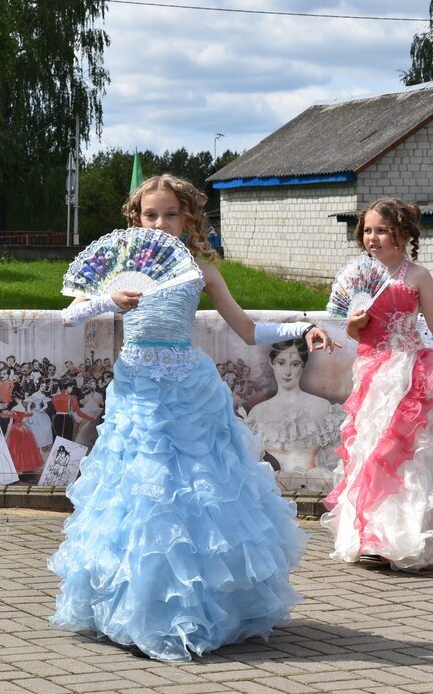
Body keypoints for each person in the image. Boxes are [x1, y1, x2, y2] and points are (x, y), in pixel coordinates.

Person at [47, 174, 336, 662]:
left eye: (170, 214)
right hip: (138, 388)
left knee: (198, 490)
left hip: (188, 386)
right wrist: (107, 300)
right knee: (140, 489)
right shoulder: (122, 266)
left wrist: (305, 328)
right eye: (150, 214)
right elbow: (68, 316)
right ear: (136, 219)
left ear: (188, 219)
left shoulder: (198, 268)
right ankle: (134, 605)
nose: (160, 223)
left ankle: (202, 604)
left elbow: (247, 329)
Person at [324, 198, 433, 570]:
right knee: (369, 451)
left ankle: (403, 536)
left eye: (382, 230)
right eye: (367, 230)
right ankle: (369, 535)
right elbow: (354, 333)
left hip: (408, 373)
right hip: (372, 373)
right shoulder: (360, 277)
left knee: (402, 453)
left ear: (403, 234)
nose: (373, 238)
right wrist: (355, 321)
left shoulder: (417, 276)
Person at [242, 338, 342, 490]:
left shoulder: (322, 406)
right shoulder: (257, 412)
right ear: (272, 362)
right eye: (281, 363)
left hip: (317, 490)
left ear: (303, 366)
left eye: (294, 364)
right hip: (271, 491)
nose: (287, 372)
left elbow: (335, 459)